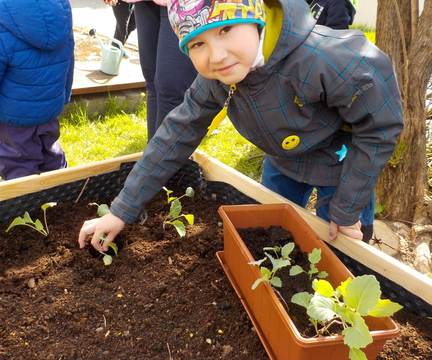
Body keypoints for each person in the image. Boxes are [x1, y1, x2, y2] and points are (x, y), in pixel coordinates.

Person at [78, 0, 403, 252]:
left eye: (225, 30)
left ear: (256, 16)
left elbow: (379, 125)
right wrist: (121, 210)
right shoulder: (218, 77)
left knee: (340, 246)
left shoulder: (324, 58)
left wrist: (347, 211)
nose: (216, 55)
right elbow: (176, 132)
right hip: (283, 160)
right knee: (271, 237)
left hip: (342, 164)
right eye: (197, 44)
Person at [0, 0, 74, 181]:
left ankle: (28, 205)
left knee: (19, 166)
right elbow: (69, 60)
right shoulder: (60, 13)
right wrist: (64, 95)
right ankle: (62, 196)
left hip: (13, 119)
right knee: (52, 155)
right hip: (49, 109)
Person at [130, 0, 198, 140]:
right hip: (145, 3)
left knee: (172, 89)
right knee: (152, 82)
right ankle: (152, 156)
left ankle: (166, 160)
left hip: (184, 3)